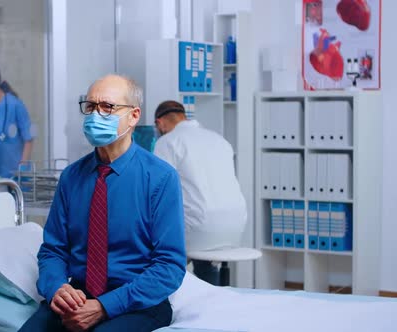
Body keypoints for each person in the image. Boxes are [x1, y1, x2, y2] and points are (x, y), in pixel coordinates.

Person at [19, 75, 186, 332]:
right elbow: (53, 250)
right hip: (78, 295)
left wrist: (104, 306)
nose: (96, 114)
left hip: (138, 301)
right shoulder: (72, 177)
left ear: (133, 116)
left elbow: (169, 266)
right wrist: (57, 289)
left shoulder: (160, 178)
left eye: (107, 107)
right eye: (90, 106)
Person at [153, 100, 247, 285]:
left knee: (153, 245)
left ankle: (167, 303)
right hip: (236, 227)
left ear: (160, 123)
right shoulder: (219, 139)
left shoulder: (167, 142)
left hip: (200, 230)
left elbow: (158, 190)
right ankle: (210, 298)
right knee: (202, 257)